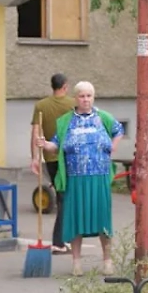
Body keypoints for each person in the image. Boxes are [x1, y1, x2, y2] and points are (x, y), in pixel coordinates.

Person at [35, 81, 124, 276]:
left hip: (99, 177)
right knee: (76, 219)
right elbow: (56, 145)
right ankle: (76, 262)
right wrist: (44, 144)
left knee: (102, 219)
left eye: (89, 96)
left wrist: (113, 146)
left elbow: (118, 130)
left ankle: (107, 261)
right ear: (75, 98)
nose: (85, 99)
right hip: (75, 179)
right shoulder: (65, 121)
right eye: (82, 96)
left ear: (93, 97)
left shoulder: (103, 117)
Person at [30, 73, 75, 255]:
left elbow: (36, 133)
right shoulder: (72, 104)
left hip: (50, 158)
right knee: (66, 199)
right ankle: (59, 242)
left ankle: (65, 239)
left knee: (62, 197)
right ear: (65, 86)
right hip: (69, 157)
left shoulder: (41, 106)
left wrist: (34, 157)